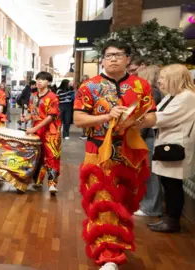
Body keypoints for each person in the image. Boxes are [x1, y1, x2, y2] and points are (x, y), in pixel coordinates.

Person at [73, 40, 156, 270]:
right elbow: (79, 119)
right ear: (102, 59)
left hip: (129, 153)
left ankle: (116, 246)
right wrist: (107, 117)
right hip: (98, 151)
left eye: (119, 54)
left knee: (123, 204)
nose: (113, 59)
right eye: (108, 55)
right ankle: (108, 256)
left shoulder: (141, 86)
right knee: (103, 202)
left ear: (128, 59)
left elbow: (152, 117)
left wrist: (137, 120)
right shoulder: (89, 86)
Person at [149, 64, 195, 233]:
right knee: (168, 183)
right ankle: (169, 217)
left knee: (173, 185)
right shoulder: (173, 96)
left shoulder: (187, 97)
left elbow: (162, 118)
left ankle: (172, 221)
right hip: (167, 144)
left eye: (163, 78)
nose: (159, 81)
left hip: (176, 147)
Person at [21, 71, 61, 194]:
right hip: (36, 128)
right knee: (36, 155)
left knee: (52, 156)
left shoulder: (53, 97)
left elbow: (50, 117)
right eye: (38, 79)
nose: (39, 81)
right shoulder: (33, 96)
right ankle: (37, 180)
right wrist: (26, 118)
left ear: (48, 82)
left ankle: (52, 184)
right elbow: (31, 112)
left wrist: (35, 128)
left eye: (42, 79)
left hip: (50, 130)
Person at [134, 65, 163, 217]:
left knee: (150, 173)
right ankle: (149, 205)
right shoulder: (157, 92)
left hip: (148, 137)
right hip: (149, 136)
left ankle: (151, 207)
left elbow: (145, 117)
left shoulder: (151, 92)